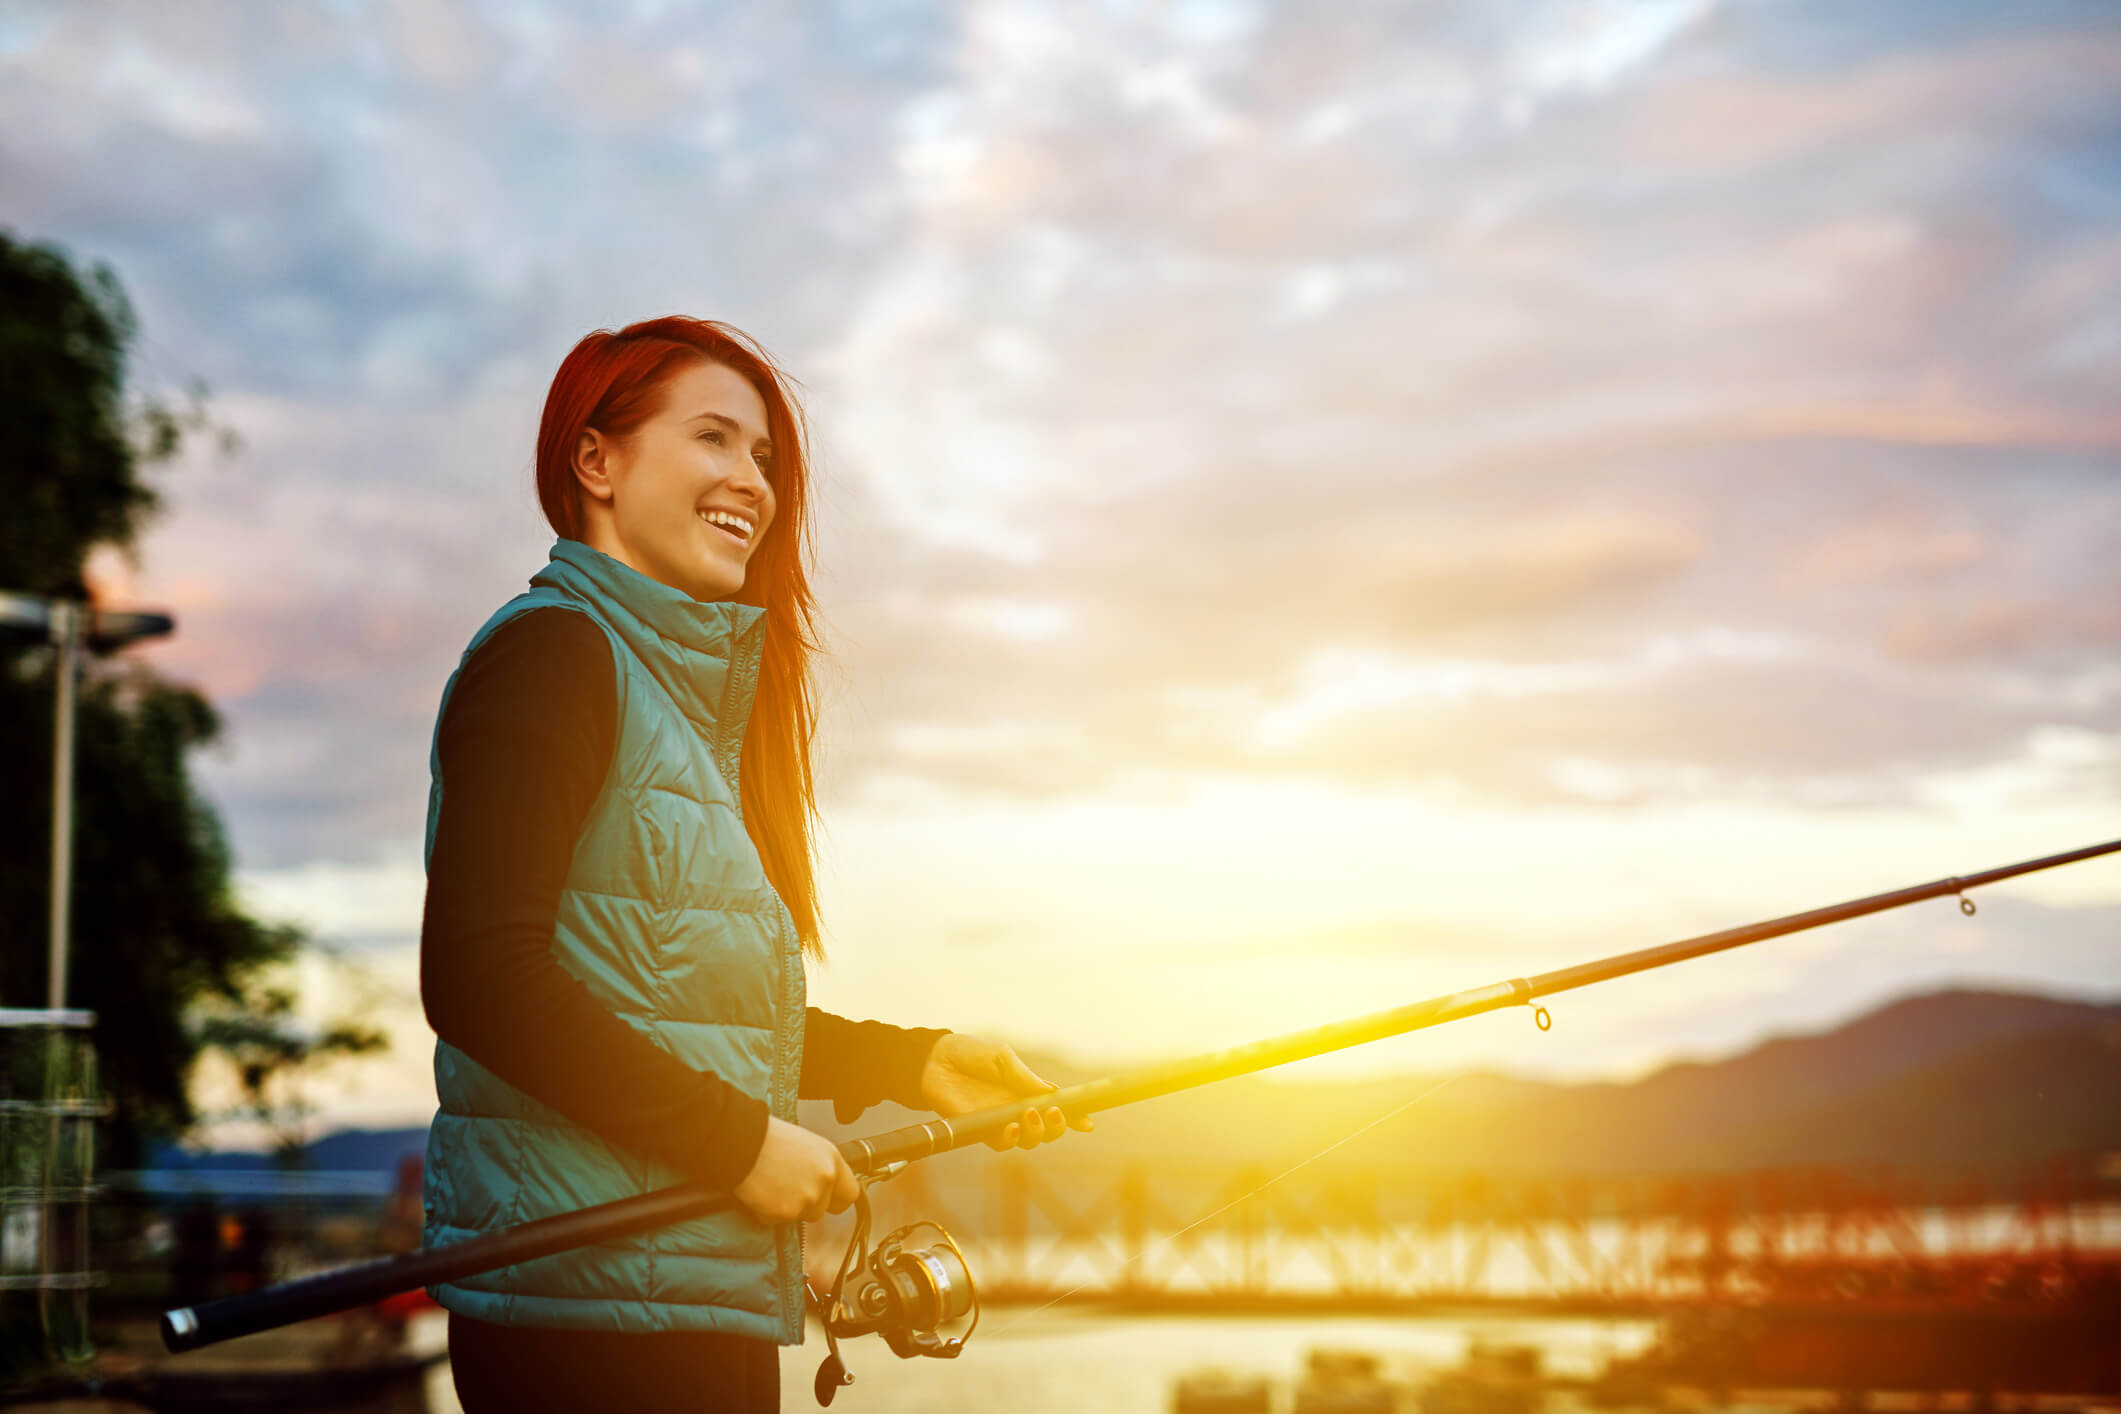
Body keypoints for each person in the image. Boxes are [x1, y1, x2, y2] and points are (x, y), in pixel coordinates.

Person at [418, 316, 1088, 1413]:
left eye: (765, 457)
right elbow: (481, 978)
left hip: (681, 1294)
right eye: (716, 439)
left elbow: (666, 1007)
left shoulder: (666, 703)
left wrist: (909, 1064)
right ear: (597, 461)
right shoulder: (552, 657)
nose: (753, 481)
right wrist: (736, 1145)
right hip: (586, 1319)